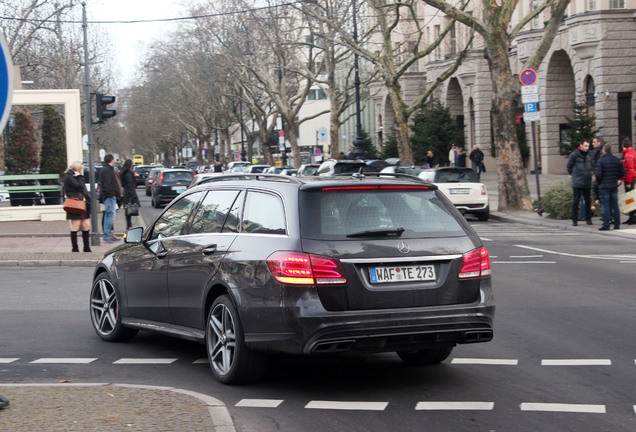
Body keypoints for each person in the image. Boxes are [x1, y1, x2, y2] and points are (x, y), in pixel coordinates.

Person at [595, 143, 625, 230]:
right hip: (613, 185)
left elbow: (598, 174)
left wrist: (599, 183)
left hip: (604, 186)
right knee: (615, 205)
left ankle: (606, 224)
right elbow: (623, 172)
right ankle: (617, 224)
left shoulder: (601, 161)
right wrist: (616, 178)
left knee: (605, 205)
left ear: (604, 150)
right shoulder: (617, 160)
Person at [63, 161, 92, 252]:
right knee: (75, 226)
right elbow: (80, 185)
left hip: (82, 204)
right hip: (75, 205)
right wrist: (79, 176)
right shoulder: (69, 177)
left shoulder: (74, 177)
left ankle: (86, 247)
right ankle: (75, 248)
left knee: (86, 226)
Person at [566, 141, 593, 226]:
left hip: (587, 181)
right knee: (576, 201)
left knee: (588, 201)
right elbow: (569, 166)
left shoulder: (589, 154)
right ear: (581, 146)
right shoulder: (574, 155)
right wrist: (573, 174)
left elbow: (593, 164)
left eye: (588, 146)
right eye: (585, 146)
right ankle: (575, 219)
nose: (587, 148)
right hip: (578, 181)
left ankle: (588, 219)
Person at [100, 154, 121, 242]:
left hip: (109, 195)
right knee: (109, 215)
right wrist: (111, 193)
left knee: (109, 215)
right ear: (112, 160)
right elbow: (108, 183)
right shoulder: (107, 170)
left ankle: (108, 234)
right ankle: (107, 235)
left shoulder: (106, 169)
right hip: (109, 196)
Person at [120, 159, 140, 230]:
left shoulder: (123, 173)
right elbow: (131, 185)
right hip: (129, 194)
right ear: (130, 166)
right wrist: (134, 197)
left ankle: (129, 225)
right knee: (129, 210)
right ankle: (129, 225)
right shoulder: (129, 174)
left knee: (127, 209)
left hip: (126, 193)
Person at [620, 137, 636, 225]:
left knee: (630, 198)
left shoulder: (628, 155)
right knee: (630, 198)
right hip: (632, 178)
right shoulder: (633, 153)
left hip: (629, 179)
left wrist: (628, 182)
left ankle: (633, 217)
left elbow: (629, 170)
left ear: (623, 146)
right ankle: (632, 216)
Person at [590, 137, 605, 214]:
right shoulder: (596, 151)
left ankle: (606, 216)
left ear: (599, 143)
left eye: (594, 142)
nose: (592, 144)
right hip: (599, 175)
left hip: (600, 176)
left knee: (600, 194)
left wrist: (596, 173)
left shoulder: (599, 152)